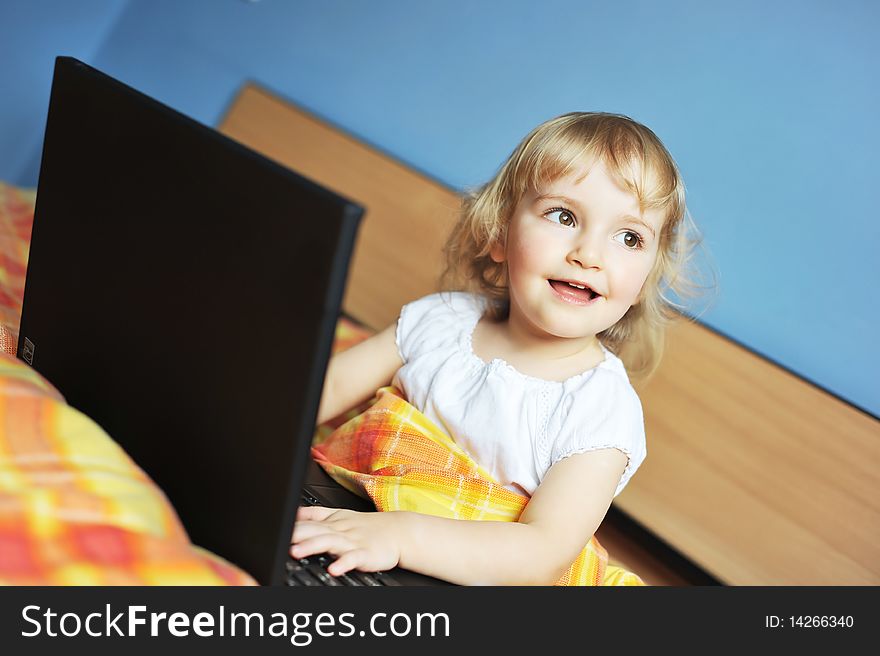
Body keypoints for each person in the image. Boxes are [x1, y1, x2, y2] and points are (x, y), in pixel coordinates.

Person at [291, 112, 703, 585]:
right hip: (357, 510)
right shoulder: (441, 322)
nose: (588, 254)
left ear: (645, 280)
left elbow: (540, 554)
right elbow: (320, 391)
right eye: (563, 215)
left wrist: (399, 536)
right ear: (500, 233)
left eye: (629, 237)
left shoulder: (602, 409)